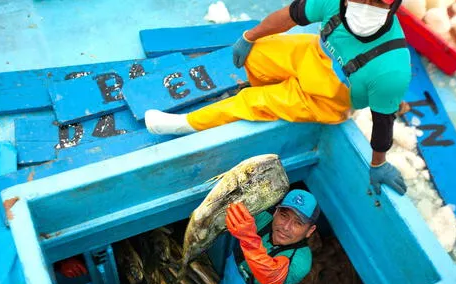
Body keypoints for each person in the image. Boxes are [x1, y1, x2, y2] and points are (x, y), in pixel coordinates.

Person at [144, 0, 411, 196]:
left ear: (394, 5)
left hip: (325, 98)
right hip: (310, 56)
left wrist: (378, 164)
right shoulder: (334, 3)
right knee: (257, 53)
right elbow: (290, 15)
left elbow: (383, 122)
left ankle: (184, 124)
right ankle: (272, 87)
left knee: (249, 101)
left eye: (378, 1)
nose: (366, 5)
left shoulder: (393, 68)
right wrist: (250, 36)